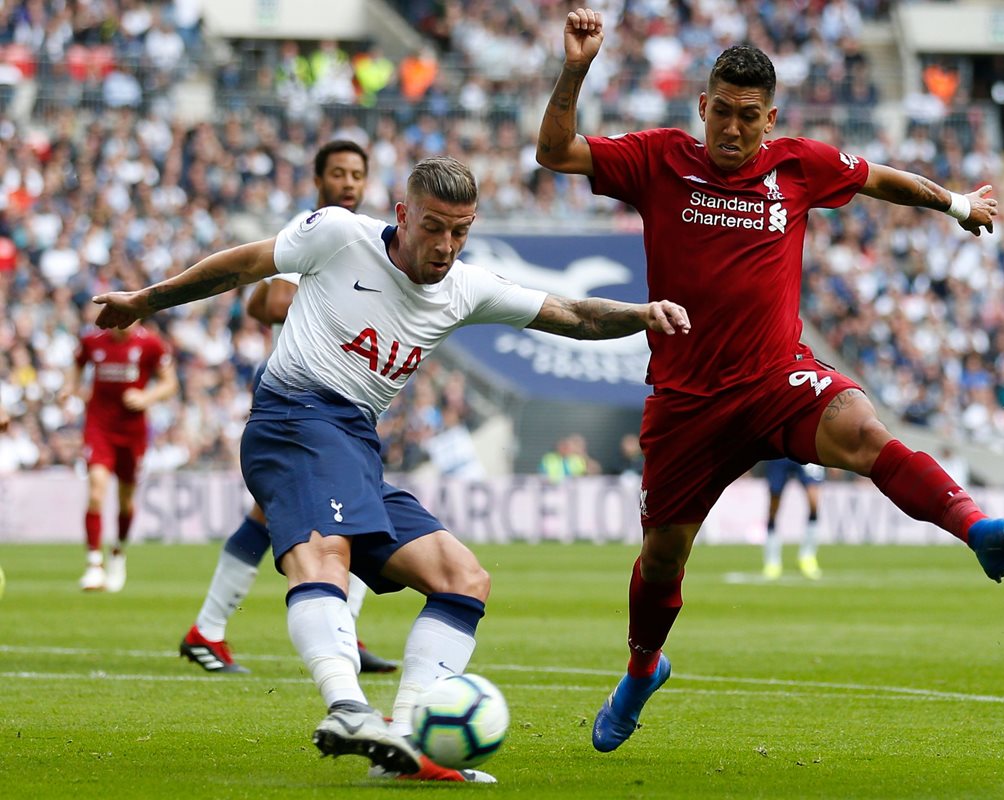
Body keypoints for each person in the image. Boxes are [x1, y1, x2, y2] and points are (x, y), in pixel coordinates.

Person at [535, 8, 1004, 754]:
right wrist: (578, 67)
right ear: (702, 107)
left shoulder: (798, 165)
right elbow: (554, 153)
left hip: (776, 377)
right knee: (662, 559)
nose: (734, 131)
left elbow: (877, 178)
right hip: (687, 402)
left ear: (770, 119)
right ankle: (642, 671)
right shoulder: (656, 159)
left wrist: (958, 204)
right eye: (724, 114)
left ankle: (980, 531)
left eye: (751, 118)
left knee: (864, 431)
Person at [92, 155, 690, 781]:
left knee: (462, 577)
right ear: (404, 215)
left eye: (461, 231)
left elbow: (574, 314)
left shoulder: (465, 288)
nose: (446, 245)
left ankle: (407, 745)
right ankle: (347, 707)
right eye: (434, 227)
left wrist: (642, 315)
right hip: (293, 417)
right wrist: (146, 300)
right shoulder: (339, 235)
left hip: (354, 444)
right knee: (326, 553)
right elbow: (245, 265)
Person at [181, 141, 396, 677]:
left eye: (357, 175)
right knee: (360, 508)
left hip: (331, 398)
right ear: (318, 178)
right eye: (338, 173)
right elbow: (271, 301)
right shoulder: (319, 228)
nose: (348, 183)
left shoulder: (361, 239)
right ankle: (332, 630)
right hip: (301, 398)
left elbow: (257, 301)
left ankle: (210, 630)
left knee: (270, 517)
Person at [64, 321, 178, 592]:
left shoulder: (150, 343)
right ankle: (93, 565)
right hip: (99, 426)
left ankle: (118, 553)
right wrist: (71, 388)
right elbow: (77, 364)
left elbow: (170, 383)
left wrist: (146, 396)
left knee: (126, 501)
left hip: (133, 431)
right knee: (96, 491)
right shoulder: (93, 341)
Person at [760, 459, 823, 580]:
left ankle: (807, 557)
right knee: (774, 505)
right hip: (779, 455)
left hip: (806, 452)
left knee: (814, 501)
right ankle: (772, 561)